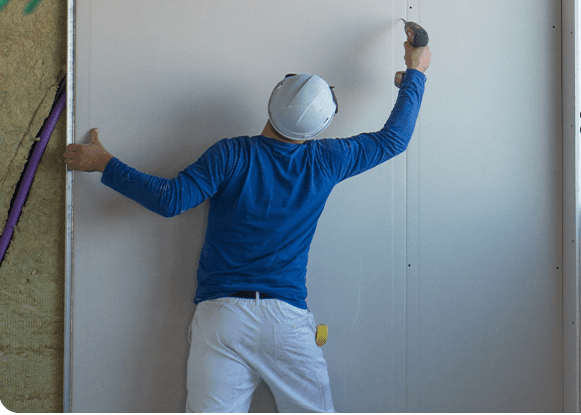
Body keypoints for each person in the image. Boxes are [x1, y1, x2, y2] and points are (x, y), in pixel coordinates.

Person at [64, 40, 431, 413]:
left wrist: (104, 163)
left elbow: (170, 199)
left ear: (273, 101)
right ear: (321, 125)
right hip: (286, 322)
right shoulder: (325, 160)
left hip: (222, 317)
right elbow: (394, 139)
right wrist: (415, 72)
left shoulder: (231, 154)